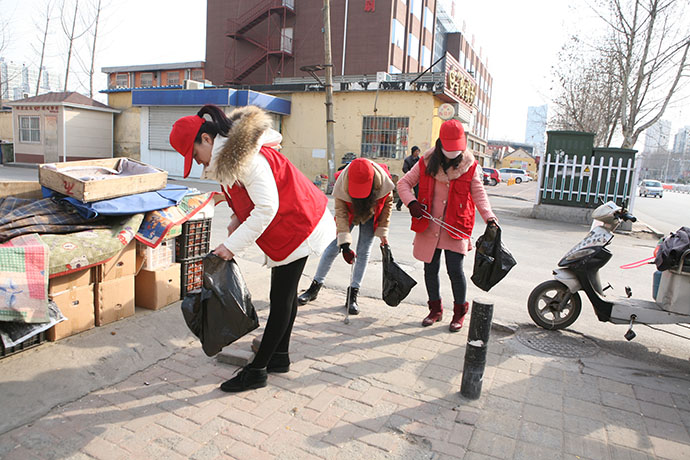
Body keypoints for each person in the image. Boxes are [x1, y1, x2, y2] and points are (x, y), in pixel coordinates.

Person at [169, 104, 335, 393]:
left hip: (300, 223)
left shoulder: (245, 158)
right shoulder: (232, 156)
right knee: (283, 295)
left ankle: (257, 371)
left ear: (207, 139)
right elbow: (247, 197)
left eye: (195, 154)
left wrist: (230, 247)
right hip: (293, 222)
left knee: (281, 298)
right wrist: (235, 218)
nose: (197, 162)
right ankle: (279, 357)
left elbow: (266, 207)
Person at [397, 120, 497, 332]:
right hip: (429, 225)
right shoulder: (425, 162)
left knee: (455, 270)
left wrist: (489, 217)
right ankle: (435, 310)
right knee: (430, 269)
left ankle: (459, 312)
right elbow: (403, 183)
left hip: (455, 225)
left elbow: (479, 194)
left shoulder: (470, 165)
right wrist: (411, 203)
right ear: (440, 143)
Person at [297, 157, 394, 314]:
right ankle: (314, 287)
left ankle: (353, 294)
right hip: (350, 210)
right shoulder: (343, 182)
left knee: (364, 251)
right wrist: (345, 244)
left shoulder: (382, 181)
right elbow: (341, 213)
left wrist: (383, 231)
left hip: (372, 210)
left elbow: (387, 206)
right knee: (332, 248)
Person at [396, 146, 420, 211]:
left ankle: (418, 207)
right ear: (413, 152)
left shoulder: (419, 160)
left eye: (418, 151)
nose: (417, 153)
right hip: (409, 178)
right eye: (416, 151)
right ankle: (398, 205)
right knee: (405, 192)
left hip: (417, 179)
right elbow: (404, 168)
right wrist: (410, 174)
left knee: (418, 193)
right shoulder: (408, 160)